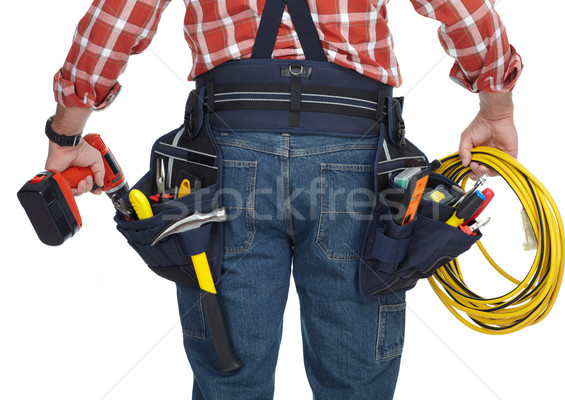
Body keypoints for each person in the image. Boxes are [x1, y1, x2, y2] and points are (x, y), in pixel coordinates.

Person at [44, 0, 522, 398]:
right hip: (354, 153)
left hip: (228, 152)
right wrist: (495, 103)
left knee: (231, 376)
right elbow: (462, 5)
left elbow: (122, 13)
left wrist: (66, 134)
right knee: (355, 380)